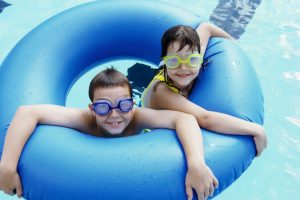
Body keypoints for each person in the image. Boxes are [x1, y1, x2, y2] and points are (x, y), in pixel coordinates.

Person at [0, 67, 217, 200]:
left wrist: (196, 163)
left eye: (123, 105)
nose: (115, 115)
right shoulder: (84, 120)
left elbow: (185, 119)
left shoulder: (138, 117)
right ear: (92, 109)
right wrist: (7, 167)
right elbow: (27, 112)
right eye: (103, 107)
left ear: (132, 105)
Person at [142, 22, 267, 156]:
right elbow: (204, 118)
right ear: (164, 62)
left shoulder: (191, 49)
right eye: (173, 61)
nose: (183, 68)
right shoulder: (161, 92)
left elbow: (206, 27)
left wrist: (235, 47)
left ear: (200, 57)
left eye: (193, 60)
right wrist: (256, 129)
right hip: (153, 130)